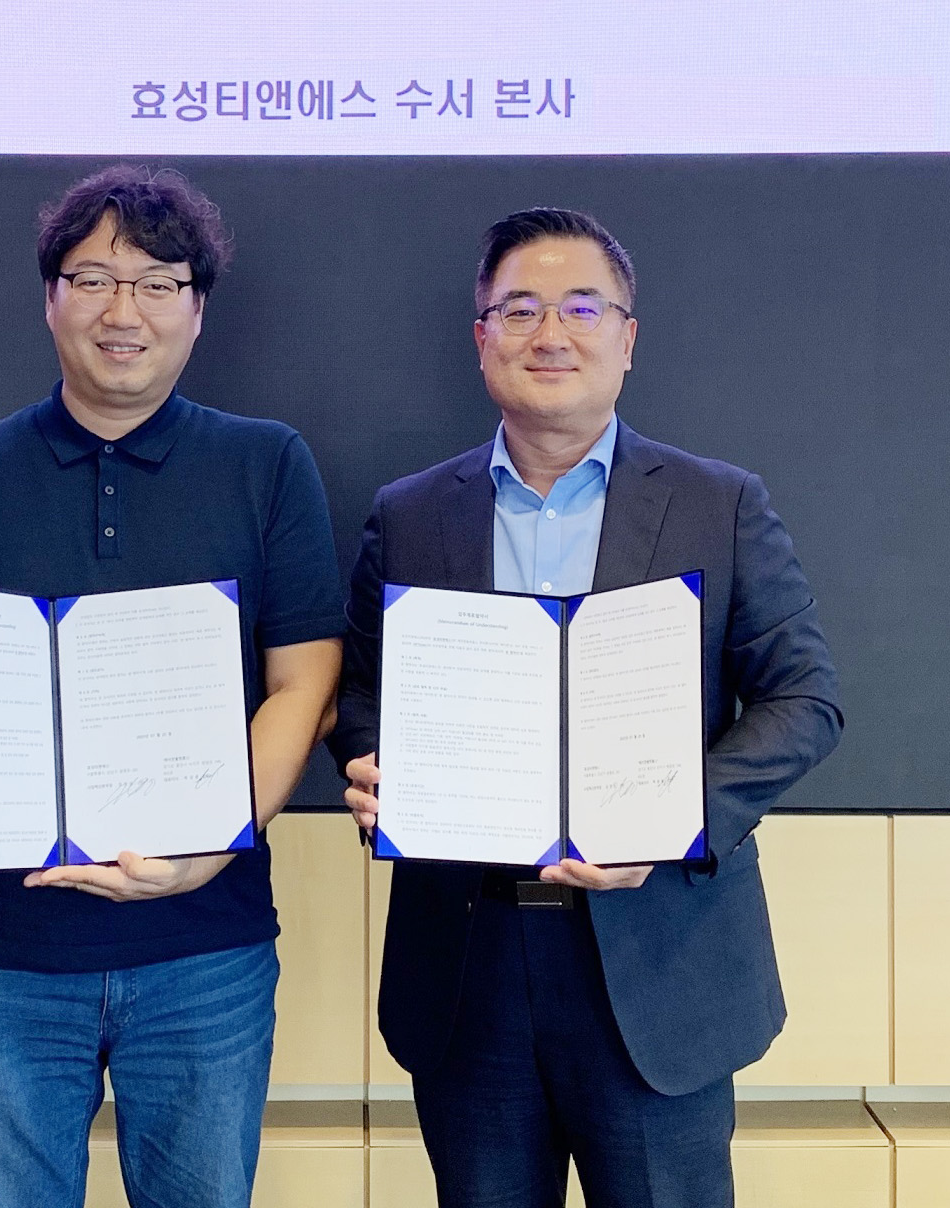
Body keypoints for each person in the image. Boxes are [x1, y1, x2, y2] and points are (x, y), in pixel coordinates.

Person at [0, 165, 345, 1208]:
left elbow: (307, 682)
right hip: (2, 957)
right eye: (94, 279)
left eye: (157, 283)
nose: (124, 311)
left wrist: (210, 847)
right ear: (50, 298)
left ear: (197, 309)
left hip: (204, 951)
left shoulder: (264, 465)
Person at [330, 206, 843, 1208]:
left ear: (627, 337)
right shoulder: (411, 513)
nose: (549, 334)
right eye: (518, 309)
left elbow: (805, 697)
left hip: (658, 960)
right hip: (468, 961)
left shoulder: (718, 503)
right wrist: (371, 760)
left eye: (580, 308)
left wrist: (673, 817)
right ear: (481, 338)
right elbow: (359, 688)